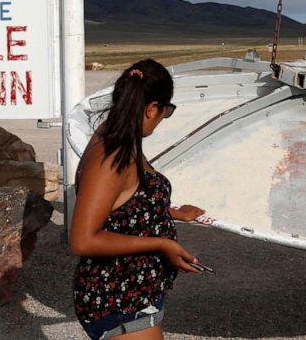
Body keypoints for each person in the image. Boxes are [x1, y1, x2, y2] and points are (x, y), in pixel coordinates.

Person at [70, 59, 205, 340]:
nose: (163, 117)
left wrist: (170, 212)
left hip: (132, 295)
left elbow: (123, 201)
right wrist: (162, 244)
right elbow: (83, 239)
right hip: (119, 302)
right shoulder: (112, 156)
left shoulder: (119, 135)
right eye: (165, 111)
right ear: (152, 108)